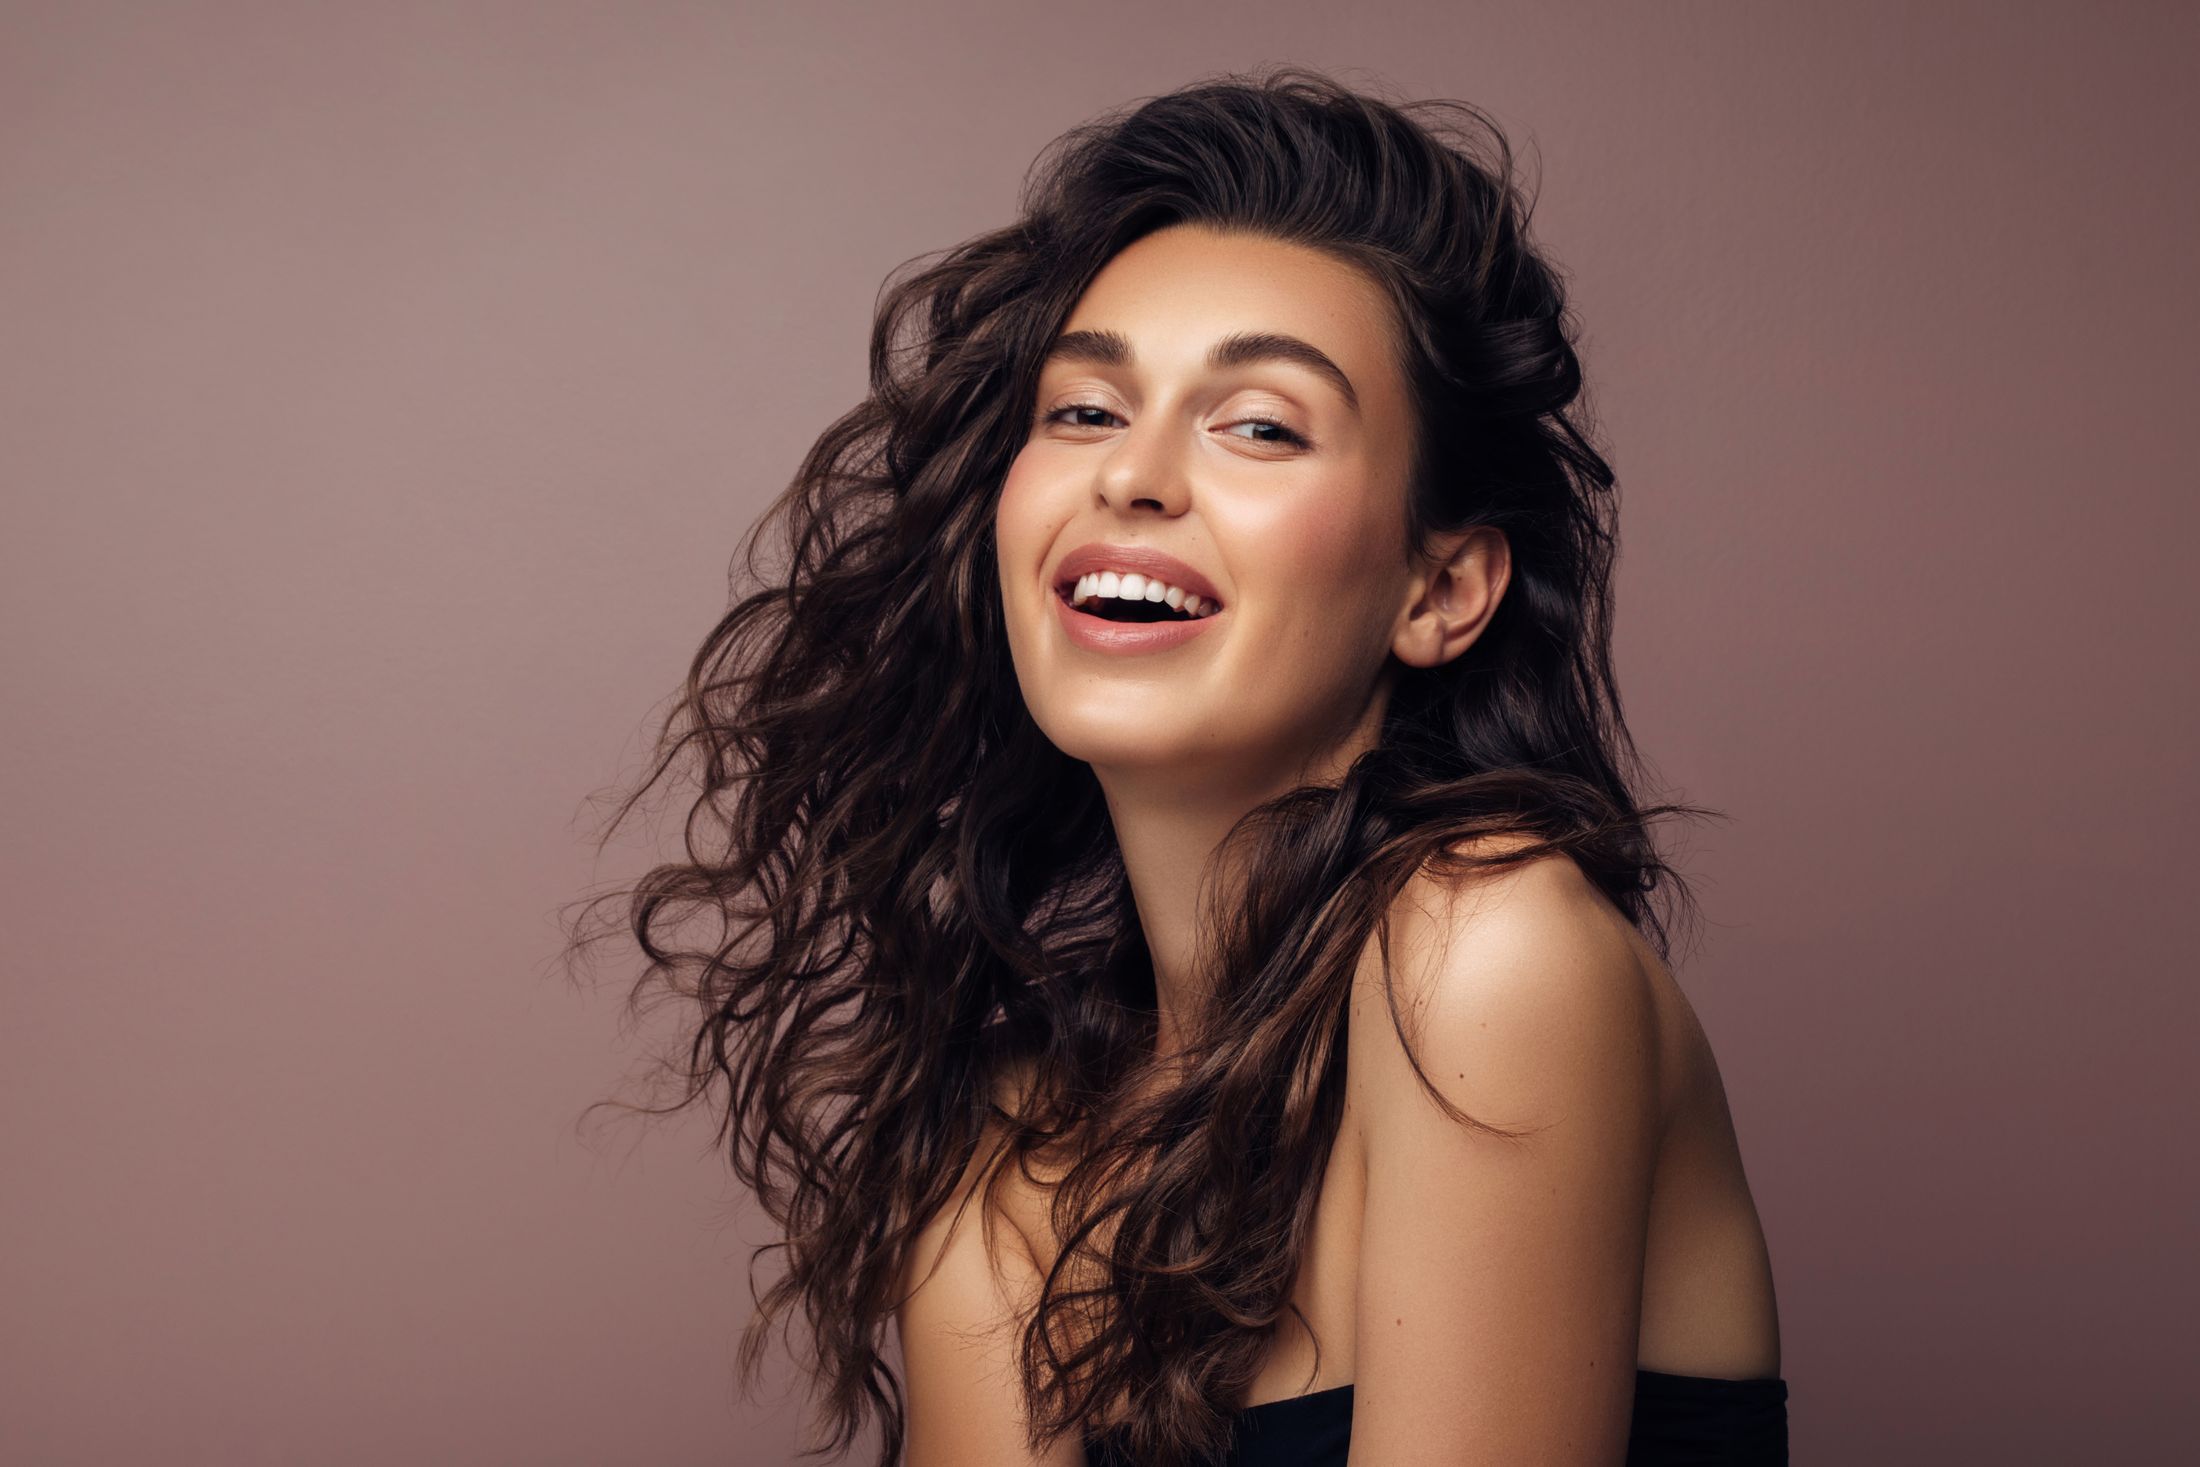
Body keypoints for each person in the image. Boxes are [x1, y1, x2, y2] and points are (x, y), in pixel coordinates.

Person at [577, 64, 1785, 1467]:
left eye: (1260, 424)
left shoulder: (1492, 955)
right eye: (1085, 411)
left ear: (1441, 588)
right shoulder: (1015, 1158)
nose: (1133, 475)